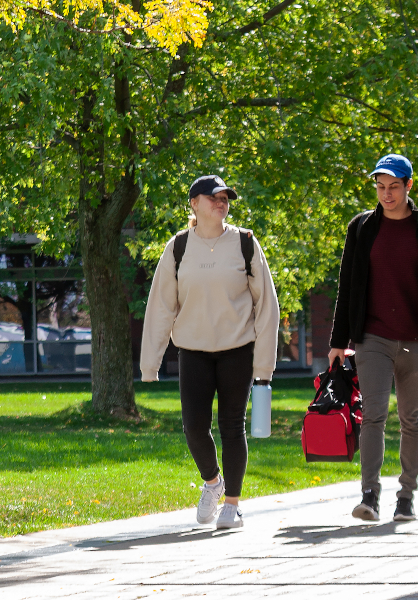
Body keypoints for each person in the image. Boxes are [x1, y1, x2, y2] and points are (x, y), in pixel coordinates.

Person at [140, 175, 282, 531]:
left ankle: (232, 504)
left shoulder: (246, 243)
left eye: (225, 198)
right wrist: (149, 363)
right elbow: (161, 306)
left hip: (238, 350)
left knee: (233, 426)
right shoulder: (178, 247)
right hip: (193, 351)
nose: (221, 203)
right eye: (213, 197)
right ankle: (213, 482)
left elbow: (267, 305)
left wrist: (264, 364)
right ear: (194, 204)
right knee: (193, 427)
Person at [327, 154, 418, 523]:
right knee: (373, 415)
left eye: (394, 187)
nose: (386, 194)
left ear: (408, 186)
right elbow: (347, 286)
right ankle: (369, 495)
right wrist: (339, 340)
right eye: (380, 187)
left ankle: (406, 496)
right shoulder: (362, 228)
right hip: (373, 337)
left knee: (411, 418)